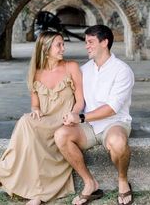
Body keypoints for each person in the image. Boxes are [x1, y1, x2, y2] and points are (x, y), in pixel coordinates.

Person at [0, 31, 85, 205]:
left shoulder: (72, 67)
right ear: (46, 50)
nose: (64, 48)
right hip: (45, 120)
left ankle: (4, 175)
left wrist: (74, 114)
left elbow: (80, 101)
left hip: (64, 121)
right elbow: (35, 105)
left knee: (27, 129)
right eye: (59, 45)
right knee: (27, 122)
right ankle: (32, 191)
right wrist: (36, 110)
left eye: (63, 44)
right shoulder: (36, 73)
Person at [54, 25, 135, 205]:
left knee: (118, 142)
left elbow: (112, 108)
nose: (87, 46)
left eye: (91, 42)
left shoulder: (122, 70)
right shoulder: (84, 70)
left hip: (115, 123)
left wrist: (81, 118)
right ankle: (90, 183)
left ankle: (122, 181)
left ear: (105, 42)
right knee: (61, 135)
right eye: (86, 42)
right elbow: (79, 100)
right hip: (89, 127)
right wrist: (73, 114)